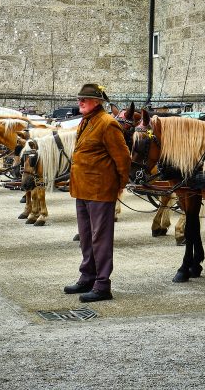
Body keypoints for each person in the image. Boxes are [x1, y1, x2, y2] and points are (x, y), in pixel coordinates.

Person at [64, 84, 131, 303]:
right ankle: (88, 276)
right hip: (82, 189)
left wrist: (118, 185)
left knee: (100, 239)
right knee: (85, 237)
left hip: (101, 190)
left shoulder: (107, 123)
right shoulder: (87, 121)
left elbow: (123, 159)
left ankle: (102, 285)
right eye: (79, 98)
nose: (80, 102)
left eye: (84, 99)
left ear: (97, 102)